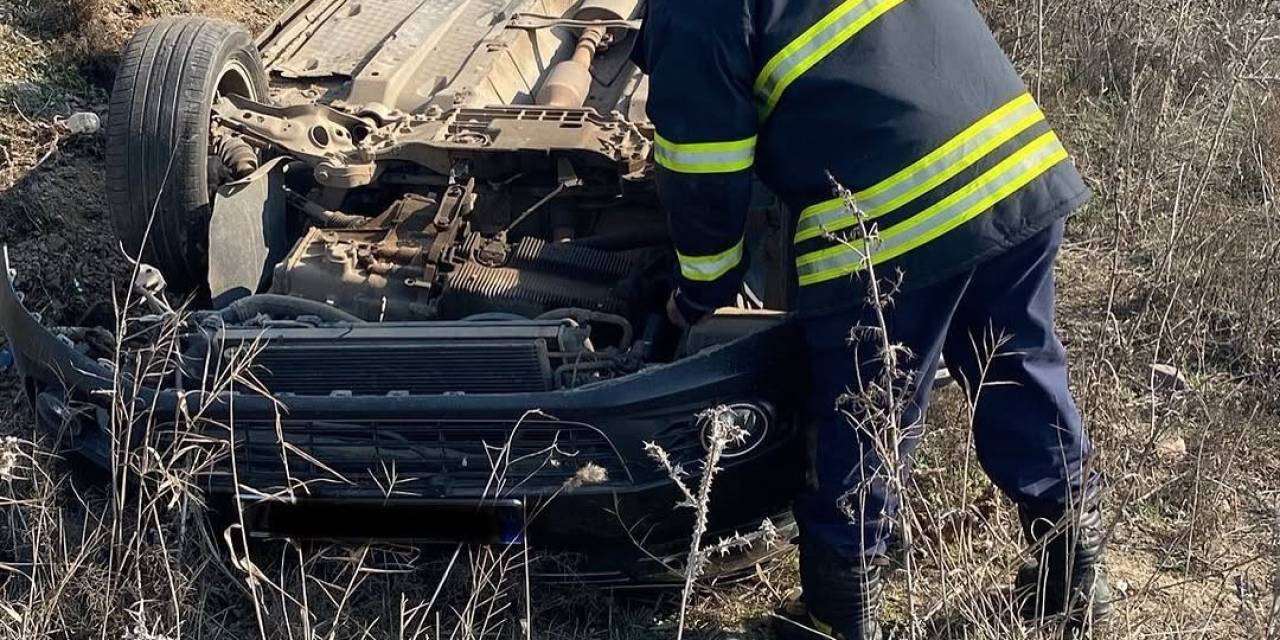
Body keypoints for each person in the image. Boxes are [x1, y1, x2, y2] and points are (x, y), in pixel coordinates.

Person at [635, 0, 1110, 637]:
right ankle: (1073, 580)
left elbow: (704, 170)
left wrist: (697, 291)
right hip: (1015, 166)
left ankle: (839, 619)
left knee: (865, 416)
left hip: (893, 219)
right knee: (1020, 368)